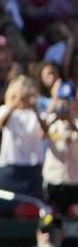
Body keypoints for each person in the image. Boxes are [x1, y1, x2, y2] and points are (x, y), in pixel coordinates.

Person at [0, 75, 47, 205]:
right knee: (6, 208)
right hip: (10, 167)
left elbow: (44, 133)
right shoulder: (4, 109)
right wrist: (15, 103)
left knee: (34, 209)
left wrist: (34, 107)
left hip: (32, 168)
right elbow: (1, 124)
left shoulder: (39, 112)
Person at [43, 82, 78, 216]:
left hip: (74, 182)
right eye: (63, 100)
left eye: (69, 100)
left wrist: (70, 121)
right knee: (52, 219)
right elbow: (41, 134)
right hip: (53, 180)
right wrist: (55, 115)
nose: (66, 105)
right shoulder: (50, 120)